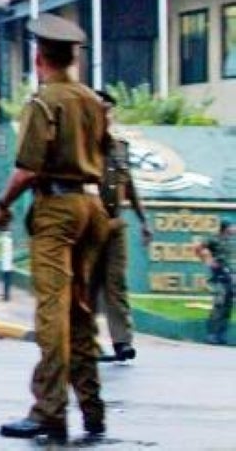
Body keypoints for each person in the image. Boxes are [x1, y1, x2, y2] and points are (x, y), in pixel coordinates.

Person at [0, 13, 110, 444]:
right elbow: (110, 158)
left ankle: (49, 409)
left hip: (57, 209)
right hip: (93, 206)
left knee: (52, 312)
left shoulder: (44, 103)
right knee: (80, 312)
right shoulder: (93, 101)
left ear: (39, 57)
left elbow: (26, 169)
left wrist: (2, 206)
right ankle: (92, 408)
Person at [92, 90, 151, 363]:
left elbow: (130, 186)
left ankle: (122, 341)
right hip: (88, 227)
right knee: (88, 286)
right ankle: (87, 340)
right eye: (101, 111)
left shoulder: (120, 147)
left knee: (116, 284)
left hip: (116, 225)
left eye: (109, 111)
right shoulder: (80, 147)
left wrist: (143, 221)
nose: (106, 116)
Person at [194, 220, 232, 345]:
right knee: (218, 305)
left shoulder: (230, 241)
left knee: (228, 307)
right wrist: (209, 262)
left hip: (230, 277)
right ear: (225, 228)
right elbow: (198, 248)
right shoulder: (214, 239)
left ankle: (221, 335)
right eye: (232, 227)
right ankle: (211, 335)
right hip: (219, 276)